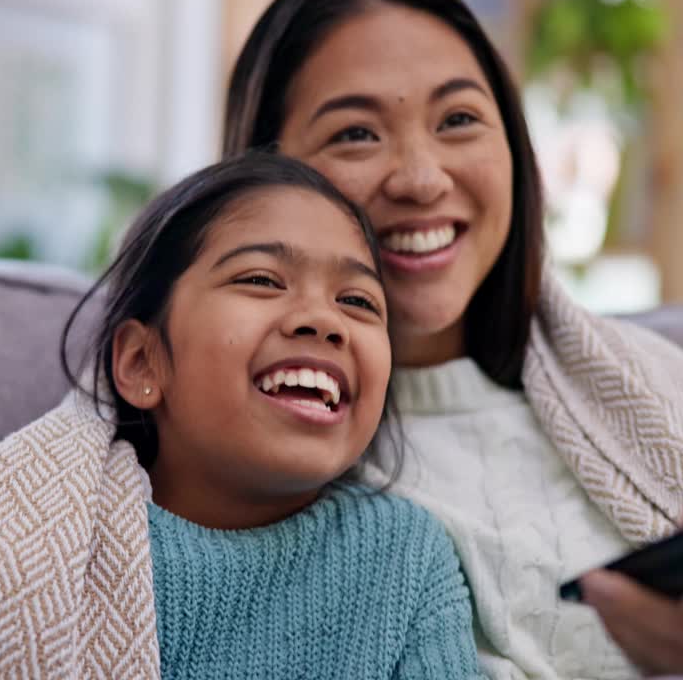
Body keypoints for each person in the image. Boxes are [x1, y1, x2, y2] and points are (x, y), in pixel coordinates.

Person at [221, 0, 683, 680]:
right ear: (260, 177)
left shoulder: (657, 386)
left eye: (459, 119)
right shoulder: (226, 455)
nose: (423, 179)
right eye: (357, 134)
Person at [61, 152, 482, 678]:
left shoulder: (405, 559)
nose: (324, 321)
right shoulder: (60, 540)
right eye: (261, 280)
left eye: (357, 300)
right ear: (143, 361)